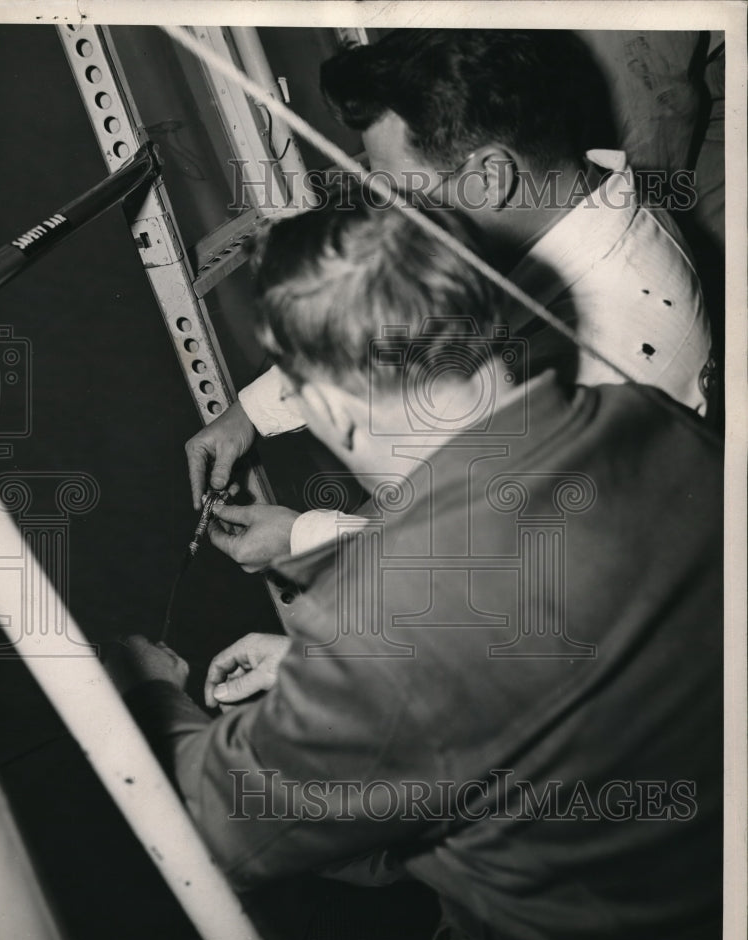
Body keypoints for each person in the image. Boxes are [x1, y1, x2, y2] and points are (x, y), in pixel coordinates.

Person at [111, 186, 723, 940]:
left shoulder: (383, 620)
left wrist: (147, 688)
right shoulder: (649, 421)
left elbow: (218, 828)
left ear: (331, 409)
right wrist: (320, 673)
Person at [184, 28, 717, 572]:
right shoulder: (561, 211)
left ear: (490, 176)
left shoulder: (618, 355)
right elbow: (419, 314)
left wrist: (305, 538)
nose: (394, 219)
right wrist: (249, 413)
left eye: (408, 196)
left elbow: (508, 556)